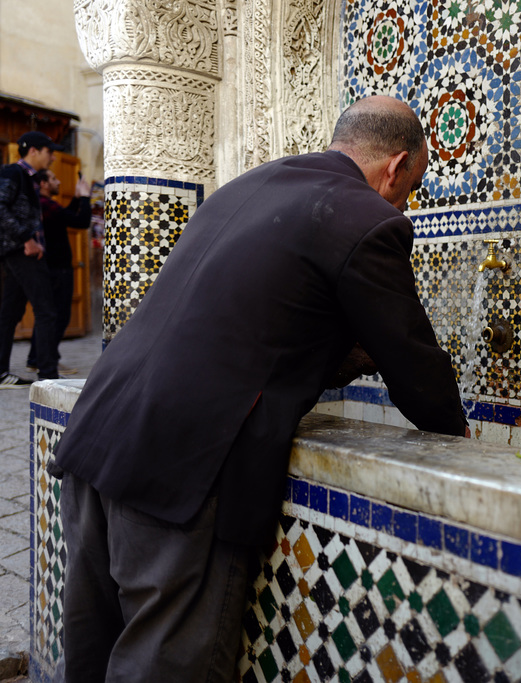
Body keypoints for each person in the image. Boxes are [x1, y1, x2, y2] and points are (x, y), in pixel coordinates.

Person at [50, 96, 468, 683]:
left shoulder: (252, 185)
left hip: (98, 431)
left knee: (90, 648)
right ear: (396, 167)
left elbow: (251, 331)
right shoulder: (367, 218)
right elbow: (417, 369)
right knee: (164, 664)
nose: (403, 204)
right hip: (181, 468)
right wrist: (459, 434)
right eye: (409, 189)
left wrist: (343, 356)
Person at [0, 131, 62, 386]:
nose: (53, 157)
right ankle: (48, 375)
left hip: (17, 251)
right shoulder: (13, 173)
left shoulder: (29, 178)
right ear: (33, 151)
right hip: (22, 251)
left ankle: (1, 372)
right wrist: (26, 238)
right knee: (46, 311)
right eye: (49, 151)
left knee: (9, 314)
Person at [26, 169, 92, 374]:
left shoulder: (45, 205)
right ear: (44, 183)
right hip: (58, 270)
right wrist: (86, 198)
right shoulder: (46, 205)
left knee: (47, 315)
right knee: (59, 316)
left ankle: (37, 359)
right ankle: (47, 360)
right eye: (54, 178)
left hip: (50, 268)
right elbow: (81, 222)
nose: (58, 181)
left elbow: (65, 216)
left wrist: (77, 198)